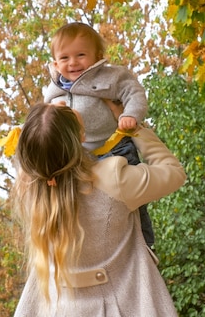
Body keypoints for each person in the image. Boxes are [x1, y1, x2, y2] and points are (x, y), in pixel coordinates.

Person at [11, 102, 186, 316]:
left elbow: (40, 147)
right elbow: (174, 173)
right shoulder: (113, 180)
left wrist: (48, 118)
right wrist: (136, 131)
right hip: (128, 307)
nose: (63, 101)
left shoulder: (31, 190)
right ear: (81, 137)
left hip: (56, 308)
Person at [42, 22, 157, 250]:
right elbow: (44, 117)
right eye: (64, 58)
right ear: (55, 63)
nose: (73, 62)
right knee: (80, 200)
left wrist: (130, 115)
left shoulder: (110, 77)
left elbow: (134, 92)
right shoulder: (54, 88)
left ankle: (145, 244)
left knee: (130, 199)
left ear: (98, 56)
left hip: (114, 146)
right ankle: (81, 244)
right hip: (78, 154)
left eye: (81, 55)